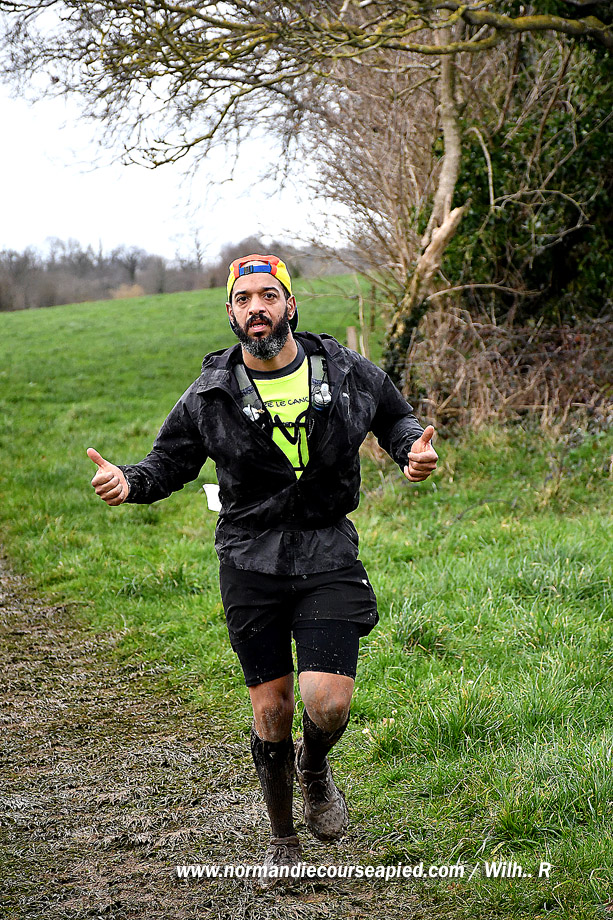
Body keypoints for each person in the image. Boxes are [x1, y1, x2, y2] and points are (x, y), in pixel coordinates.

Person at [87, 253, 438, 886]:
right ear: (230, 312)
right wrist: (129, 483)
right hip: (250, 557)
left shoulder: (344, 371)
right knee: (272, 712)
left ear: (289, 305)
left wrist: (410, 448)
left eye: (268, 296)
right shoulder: (211, 394)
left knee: (327, 703)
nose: (257, 308)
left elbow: (393, 416)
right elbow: (167, 463)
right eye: (244, 299)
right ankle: (282, 837)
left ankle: (315, 767)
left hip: (327, 550)